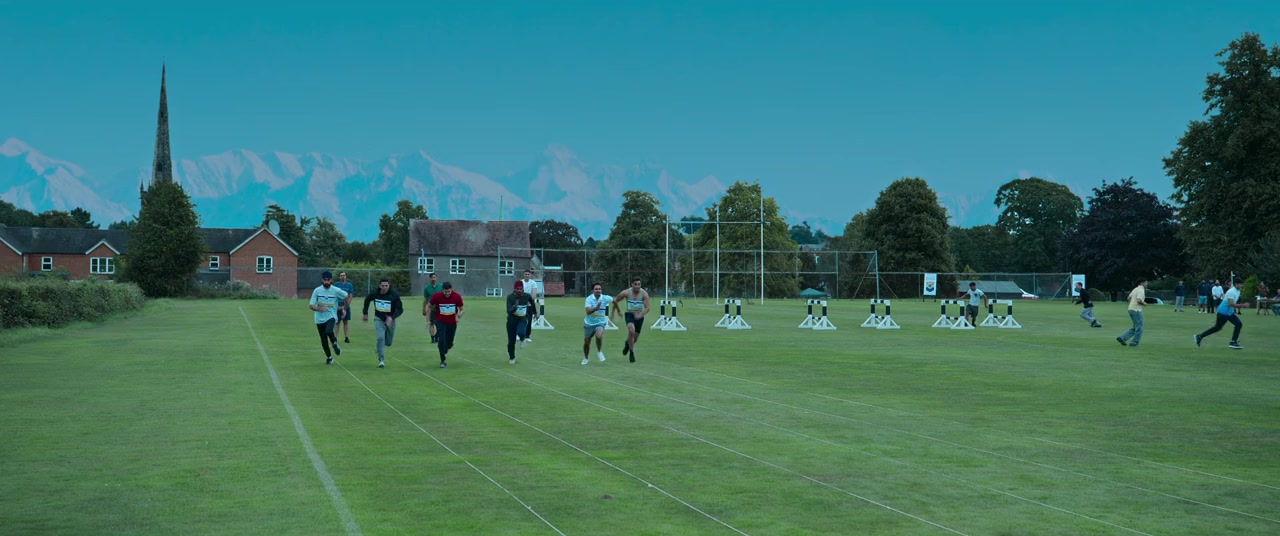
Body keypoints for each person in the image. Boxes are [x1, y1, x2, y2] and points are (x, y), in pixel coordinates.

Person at [1195, 278, 1249, 349]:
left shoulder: (1238, 291)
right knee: (1217, 328)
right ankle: (1199, 336)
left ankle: (1233, 342)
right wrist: (1242, 305)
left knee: (1238, 324)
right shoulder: (1231, 291)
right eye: (1241, 284)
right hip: (1223, 312)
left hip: (1229, 312)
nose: (1242, 286)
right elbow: (1230, 304)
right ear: (1236, 284)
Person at [362, 278, 404, 368]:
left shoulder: (394, 295)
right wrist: (365, 313)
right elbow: (367, 300)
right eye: (383, 286)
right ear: (379, 286)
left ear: (389, 286)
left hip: (390, 320)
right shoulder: (375, 293)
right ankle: (381, 360)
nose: (384, 288)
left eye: (386, 286)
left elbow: (400, 309)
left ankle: (379, 346)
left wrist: (391, 317)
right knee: (380, 338)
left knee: (388, 343)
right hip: (379, 319)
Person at [308, 271, 348, 364]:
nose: (326, 281)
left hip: (331, 316)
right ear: (322, 280)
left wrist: (344, 309)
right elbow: (311, 305)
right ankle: (329, 357)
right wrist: (319, 309)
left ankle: (334, 344)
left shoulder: (336, 290)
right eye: (325, 280)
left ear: (331, 280)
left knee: (329, 331)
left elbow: (346, 296)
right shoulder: (317, 290)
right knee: (323, 340)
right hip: (319, 318)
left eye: (328, 280)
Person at [611, 277, 650, 363]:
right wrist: (615, 312)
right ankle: (631, 353)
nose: (637, 286)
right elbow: (615, 300)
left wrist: (640, 315)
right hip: (629, 314)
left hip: (639, 316)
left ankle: (627, 345)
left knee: (634, 339)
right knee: (631, 330)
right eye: (635, 284)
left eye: (639, 284)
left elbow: (647, 308)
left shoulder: (644, 294)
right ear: (632, 285)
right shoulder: (626, 293)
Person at [428, 282, 464, 368]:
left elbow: (462, 309)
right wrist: (428, 319)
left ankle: (447, 347)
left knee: (449, 343)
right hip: (441, 322)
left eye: (449, 291)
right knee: (441, 340)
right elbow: (429, 306)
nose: (447, 293)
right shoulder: (437, 296)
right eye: (445, 291)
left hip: (452, 323)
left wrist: (458, 315)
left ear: (451, 289)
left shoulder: (457, 296)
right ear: (442, 290)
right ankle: (442, 360)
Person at [505, 280, 537, 364]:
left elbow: (532, 303)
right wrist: (515, 307)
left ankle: (523, 339)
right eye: (517, 289)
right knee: (511, 341)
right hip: (512, 320)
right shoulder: (510, 297)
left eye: (521, 289)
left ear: (523, 289)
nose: (519, 290)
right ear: (514, 289)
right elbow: (508, 311)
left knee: (521, 332)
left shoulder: (527, 296)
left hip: (522, 318)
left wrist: (535, 313)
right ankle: (512, 357)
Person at [582, 283, 610, 365]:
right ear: (593, 290)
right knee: (587, 342)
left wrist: (617, 310)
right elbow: (588, 311)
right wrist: (596, 308)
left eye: (599, 289)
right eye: (596, 289)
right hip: (589, 323)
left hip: (600, 322)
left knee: (598, 335)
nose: (598, 290)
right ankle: (586, 358)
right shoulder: (589, 299)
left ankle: (599, 351)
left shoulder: (605, 298)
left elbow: (614, 300)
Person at [1117, 278, 1148, 347]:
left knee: (1135, 327)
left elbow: (1128, 298)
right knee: (1139, 327)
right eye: (1146, 282)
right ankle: (1134, 343)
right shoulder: (1141, 290)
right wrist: (1144, 303)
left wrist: (1132, 304)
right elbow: (1139, 300)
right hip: (1137, 310)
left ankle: (1122, 338)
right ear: (1141, 283)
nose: (1147, 284)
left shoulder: (1135, 289)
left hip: (1131, 309)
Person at [516, 269, 540, 344]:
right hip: (521, 303)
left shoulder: (533, 283)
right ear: (524, 275)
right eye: (526, 274)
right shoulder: (520, 282)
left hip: (529, 303)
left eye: (528, 274)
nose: (527, 275)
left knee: (529, 320)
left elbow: (533, 294)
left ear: (530, 275)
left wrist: (529, 301)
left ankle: (527, 336)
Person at [421, 272, 444, 343]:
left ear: (436, 278)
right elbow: (425, 299)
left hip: (440, 309)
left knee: (440, 324)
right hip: (431, 309)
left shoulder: (441, 286)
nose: (433, 279)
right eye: (432, 278)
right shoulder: (427, 288)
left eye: (434, 277)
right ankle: (433, 338)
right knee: (431, 323)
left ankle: (437, 336)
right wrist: (424, 309)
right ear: (429, 278)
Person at [334, 271, 355, 343]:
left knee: (346, 322)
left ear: (346, 277)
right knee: (337, 322)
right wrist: (337, 306)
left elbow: (350, 296)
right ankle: (335, 337)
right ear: (339, 277)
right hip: (338, 307)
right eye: (341, 275)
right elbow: (334, 295)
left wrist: (345, 306)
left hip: (346, 307)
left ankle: (346, 338)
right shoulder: (336, 285)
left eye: (344, 275)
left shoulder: (349, 285)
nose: (342, 276)